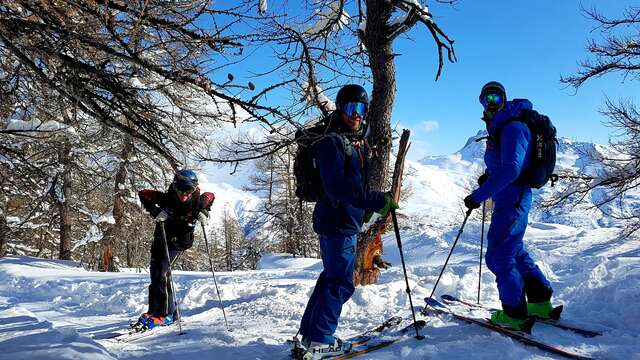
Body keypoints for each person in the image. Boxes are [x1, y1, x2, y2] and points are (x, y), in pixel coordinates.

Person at [295, 84, 398, 359]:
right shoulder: (332, 142)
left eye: (361, 109)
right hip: (336, 221)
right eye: (351, 108)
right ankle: (320, 340)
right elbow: (336, 188)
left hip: (343, 220)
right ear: (340, 109)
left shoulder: (355, 141)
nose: (357, 115)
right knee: (341, 282)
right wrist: (374, 200)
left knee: (331, 279)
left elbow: (350, 185)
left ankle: (309, 337)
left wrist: (363, 209)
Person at [463, 81, 556, 331]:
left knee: (498, 255)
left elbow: (512, 169)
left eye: (495, 98)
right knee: (514, 251)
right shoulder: (501, 126)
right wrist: (489, 178)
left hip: (512, 199)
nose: (491, 103)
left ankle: (514, 313)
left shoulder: (512, 126)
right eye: (486, 99)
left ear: (504, 98)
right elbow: (507, 165)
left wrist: (478, 195)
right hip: (509, 198)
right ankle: (539, 301)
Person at [133, 169, 215, 330]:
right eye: (180, 189)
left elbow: (210, 195)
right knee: (156, 273)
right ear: (174, 186)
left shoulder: (198, 201)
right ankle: (155, 311)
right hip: (161, 239)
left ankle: (166, 314)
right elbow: (143, 193)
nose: (184, 193)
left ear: (194, 189)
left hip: (179, 243)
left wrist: (205, 211)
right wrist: (155, 210)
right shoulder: (165, 198)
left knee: (161, 273)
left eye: (189, 190)